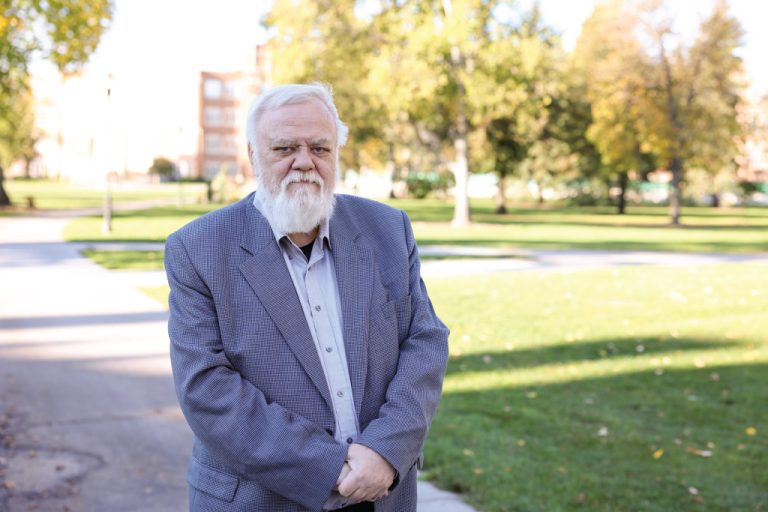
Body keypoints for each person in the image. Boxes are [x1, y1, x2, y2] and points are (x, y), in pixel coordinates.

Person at [165, 83, 449, 512]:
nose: (305, 163)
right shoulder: (198, 249)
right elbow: (207, 390)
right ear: (253, 155)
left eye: (320, 148)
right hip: (260, 501)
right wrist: (332, 468)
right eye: (284, 149)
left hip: (381, 494)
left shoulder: (388, 230)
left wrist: (385, 451)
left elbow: (425, 343)